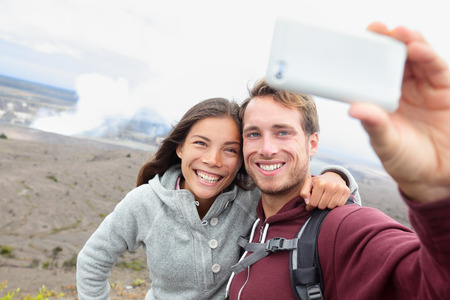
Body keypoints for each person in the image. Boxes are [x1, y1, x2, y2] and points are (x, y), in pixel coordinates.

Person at [227, 23, 450, 299]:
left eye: (283, 132)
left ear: (313, 143)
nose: (267, 148)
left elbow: (433, 285)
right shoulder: (248, 219)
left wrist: (438, 196)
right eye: (254, 134)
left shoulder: (342, 227)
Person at [76, 97, 360, 299]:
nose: (213, 160)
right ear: (179, 149)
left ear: (241, 160)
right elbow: (92, 260)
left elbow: (337, 196)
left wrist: (337, 177)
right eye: (201, 143)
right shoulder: (144, 203)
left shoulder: (251, 198)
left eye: (230, 150)